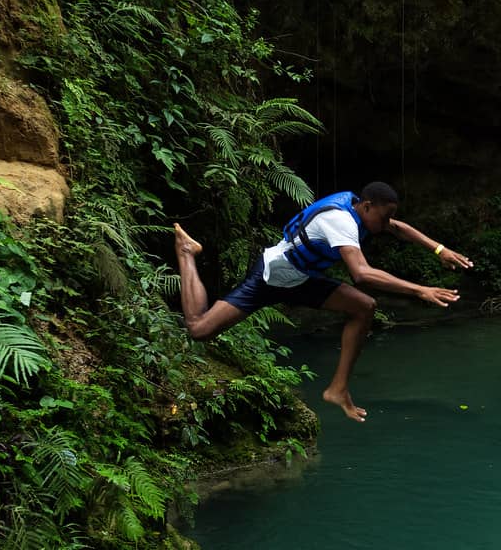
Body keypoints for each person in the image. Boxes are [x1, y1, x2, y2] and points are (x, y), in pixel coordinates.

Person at [173, 181, 473, 422]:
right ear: (367, 206)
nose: (385, 224)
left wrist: (439, 249)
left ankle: (337, 389)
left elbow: (398, 227)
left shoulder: (360, 208)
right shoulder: (339, 220)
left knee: (364, 307)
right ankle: (187, 252)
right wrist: (420, 290)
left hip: (302, 281)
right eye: (382, 216)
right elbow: (361, 274)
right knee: (199, 329)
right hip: (270, 278)